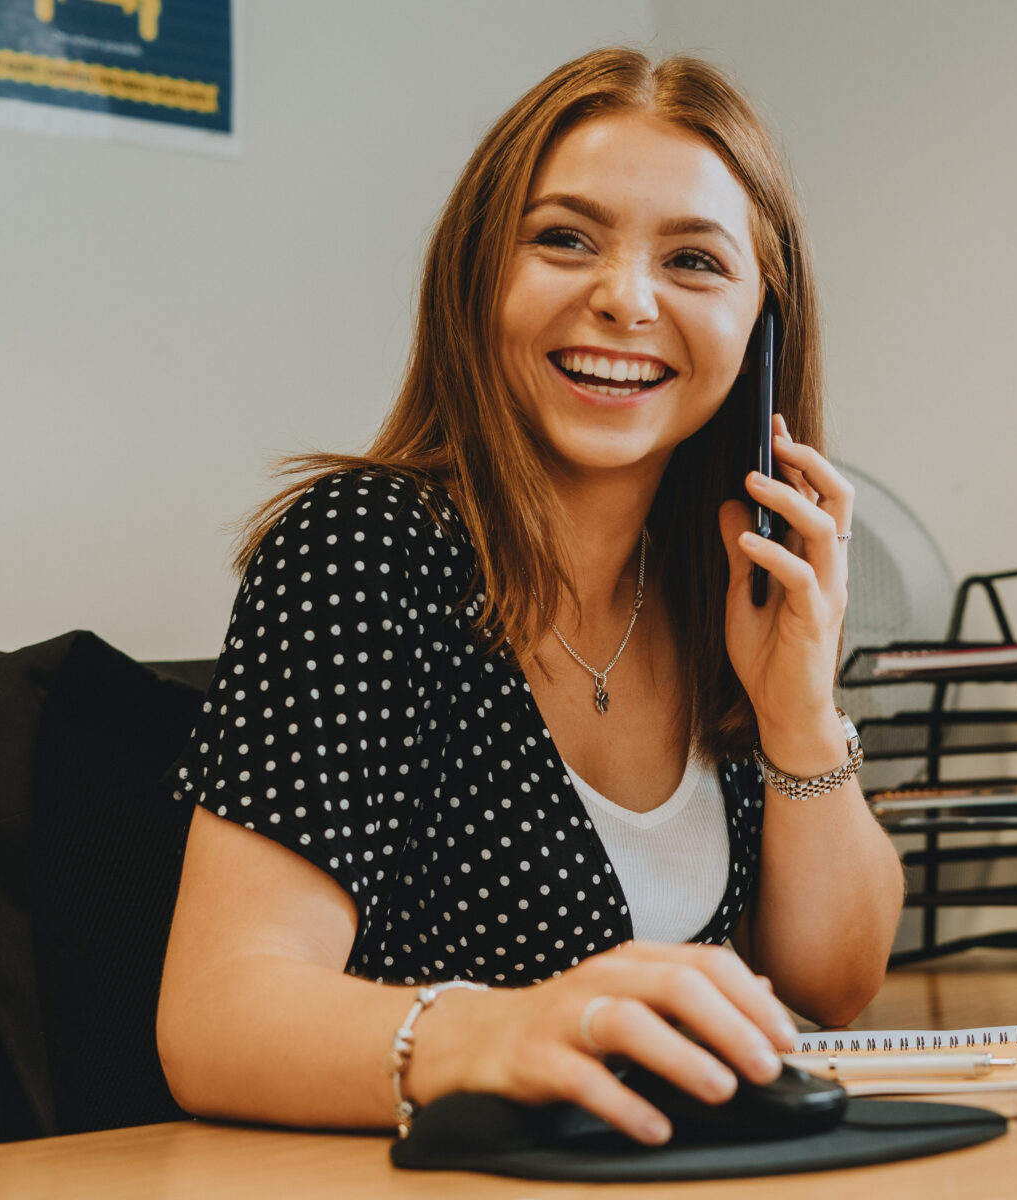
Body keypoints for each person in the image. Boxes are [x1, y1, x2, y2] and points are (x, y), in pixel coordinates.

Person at [154, 48, 904, 1147]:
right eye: (565, 239)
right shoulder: (365, 550)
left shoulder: (719, 581)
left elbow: (835, 983)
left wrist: (796, 705)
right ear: (479, 275)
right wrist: (501, 1036)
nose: (625, 299)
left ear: (759, 330)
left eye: (695, 262)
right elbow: (216, 1018)